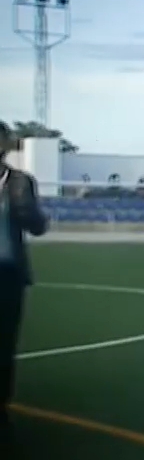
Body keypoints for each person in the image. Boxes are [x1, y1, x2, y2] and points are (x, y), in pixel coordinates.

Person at [0, 121, 48, 441]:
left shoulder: (20, 183)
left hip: (8, 275)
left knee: (4, 347)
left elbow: (38, 226)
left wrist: (26, 210)